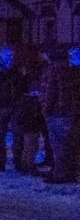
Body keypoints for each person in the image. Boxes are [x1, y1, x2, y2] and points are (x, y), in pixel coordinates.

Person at [41, 47, 80, 184]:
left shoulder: (53, 70)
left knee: (58, 145)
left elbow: (51, 93)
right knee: (69, 144)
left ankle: (60, 174)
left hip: (57, 112)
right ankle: (70, 172)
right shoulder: (73, 70)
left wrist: (46, 110)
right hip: (71, 112)